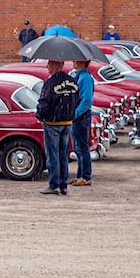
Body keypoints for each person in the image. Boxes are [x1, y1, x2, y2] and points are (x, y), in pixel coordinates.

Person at [35, 60, 79, 195]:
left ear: (55, 66)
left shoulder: (50, 83)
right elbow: (77, 100)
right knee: (63, 156)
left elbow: (44, 103)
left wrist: (40, 116)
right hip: (67, 123)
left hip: (52, 124)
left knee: (53, 156)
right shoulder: (72, 81)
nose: (46, 66)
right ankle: (63, 184)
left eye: (49, 64)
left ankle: (53, 185)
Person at [69, 60, 95, 186]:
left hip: (81, 116)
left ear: (83, 62)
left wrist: (75, 113)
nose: (73, 62)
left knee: (82, 147)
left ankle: (85, 176)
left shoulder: (85, 78)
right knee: (77, 147)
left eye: (76, 60)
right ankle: (80, 175)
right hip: (77, 116)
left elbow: (87, 100)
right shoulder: (78, 76)